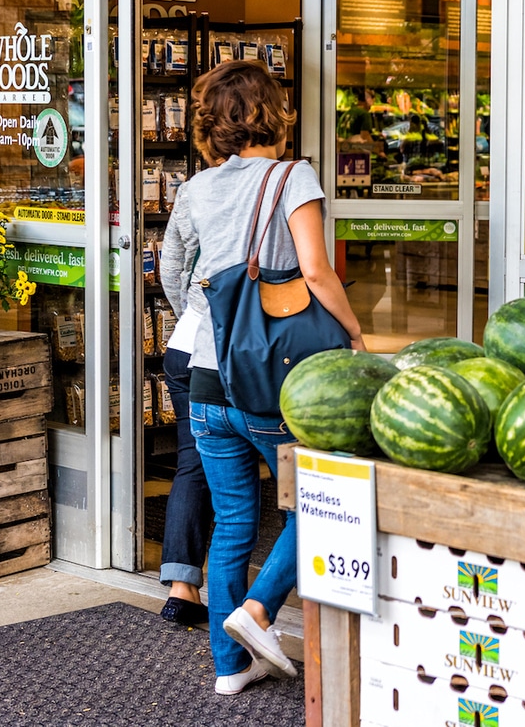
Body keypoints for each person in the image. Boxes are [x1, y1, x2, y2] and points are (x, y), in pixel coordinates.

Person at [161, 59, 365, 697]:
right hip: (272, 383)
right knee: (323, 501)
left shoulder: (196, 188)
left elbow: (173, 272)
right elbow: (317, 270)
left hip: (207, 378)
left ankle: (230, 668)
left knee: (231, 524)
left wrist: (209, 323)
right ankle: (258, 610)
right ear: (272, 113)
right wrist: (356, 333)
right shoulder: (293, 175)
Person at [157, 225, 213, 625]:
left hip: (183, 344)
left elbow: (171, 265)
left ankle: (181, 589)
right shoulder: (268, 193)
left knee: (192, 463)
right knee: (248, 473)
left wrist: (189, 315)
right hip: (231, 353)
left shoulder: (192, 194)